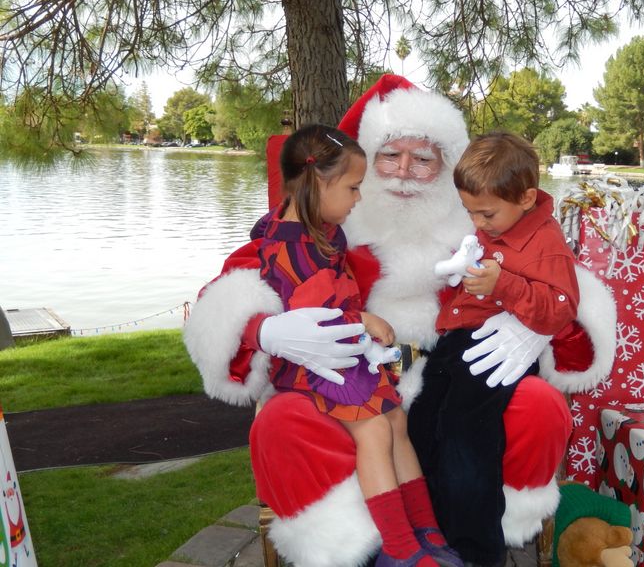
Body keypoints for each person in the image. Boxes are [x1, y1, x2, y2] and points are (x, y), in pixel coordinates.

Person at [183, 74, 616, 567]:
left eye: (424, 158)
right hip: (347, 375)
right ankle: (354, 546)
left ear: (447, 165)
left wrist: (534, 324)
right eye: (390, 154)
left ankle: (463, 542)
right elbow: (227, 291)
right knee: (282, 419)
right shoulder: (318, 222)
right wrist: (265, 329)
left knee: (536, 402)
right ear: (364, 161)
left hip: (451, 371)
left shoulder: (480, 217)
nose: (405, 171)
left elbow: (560, 283)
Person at [246, 122, 461, 567]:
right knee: (375, 432)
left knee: (396, 421)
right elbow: (311, 317)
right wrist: (362, 319)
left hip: (348, 354)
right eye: (352, 187)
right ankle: (399, 547)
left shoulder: (321, 232)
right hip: (320, 363)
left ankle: (426, 530)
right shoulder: (290, 247)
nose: (358, 197)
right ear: (317, 183)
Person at [408, 132, 580, 566]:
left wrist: (503, 285)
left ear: (525, 198)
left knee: (466, 438)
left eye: (485, 213)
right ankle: (430, 530)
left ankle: (478, 551)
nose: (478, 222)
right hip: (459, 344)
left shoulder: (545, 244)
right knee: (424, 418)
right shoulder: (498, 224)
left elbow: (561, 308)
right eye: (470, 212)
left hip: (498, 351)